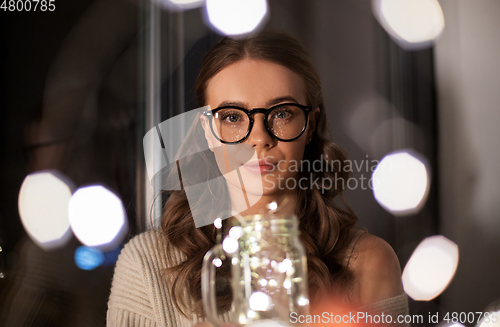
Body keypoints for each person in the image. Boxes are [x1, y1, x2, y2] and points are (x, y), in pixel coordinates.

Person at [107, 32, 408, 327]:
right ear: (207, 132)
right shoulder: (148, 266)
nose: (259, 138)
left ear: (310, 124)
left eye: (282, 113)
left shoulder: (368, 264)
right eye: (233, 117)